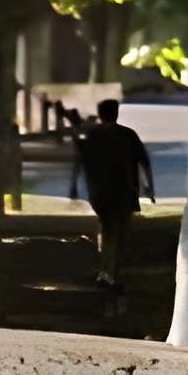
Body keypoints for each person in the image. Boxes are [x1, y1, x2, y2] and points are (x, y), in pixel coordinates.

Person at [69, 98, 156, 287]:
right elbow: (144, 161)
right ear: (116, 113)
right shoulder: (128, 135)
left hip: (100, 192)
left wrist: (74, 185)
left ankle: (107, 270)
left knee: (108, 228)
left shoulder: (92, 135)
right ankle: (111, 271)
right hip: (126, 190)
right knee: (120, 233)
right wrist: (150, 188)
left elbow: (80, 160)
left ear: (100, 115)